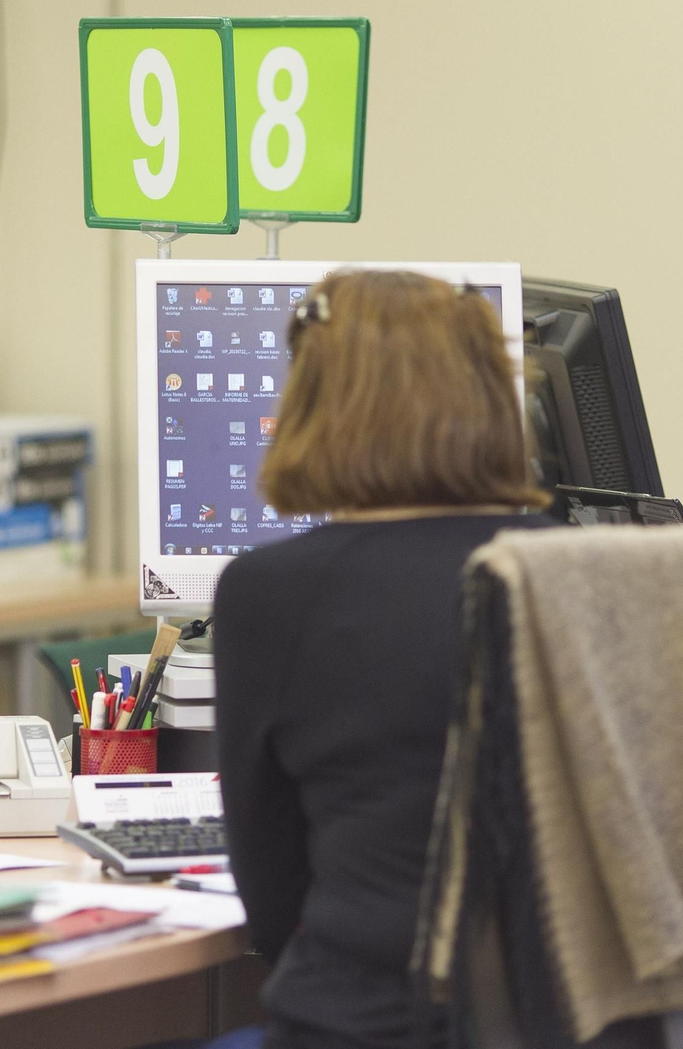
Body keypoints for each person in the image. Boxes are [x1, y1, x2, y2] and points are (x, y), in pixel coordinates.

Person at [213, 271, 553, 1049]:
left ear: (316, 405)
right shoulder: (584, 570)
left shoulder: (271, 592)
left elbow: (272, 907)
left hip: (368, 1024)